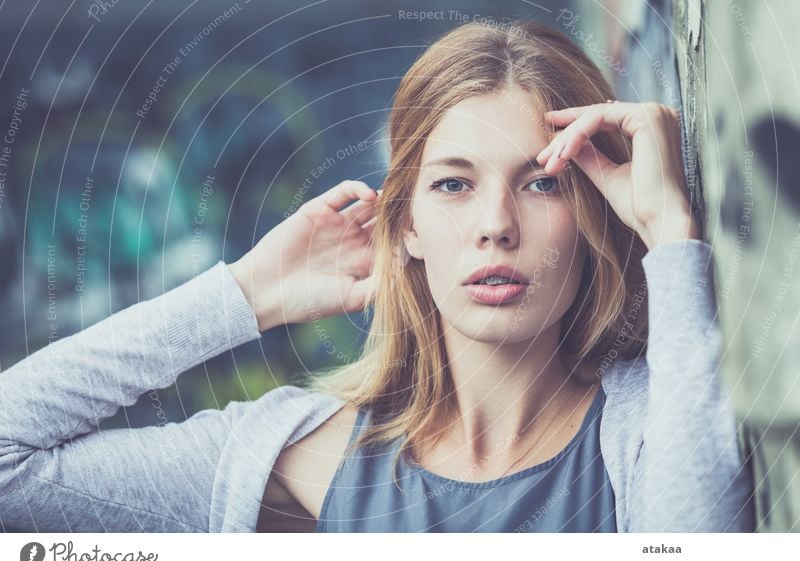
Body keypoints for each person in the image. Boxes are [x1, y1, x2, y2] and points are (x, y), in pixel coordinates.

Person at [0, 20, 754, 533]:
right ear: (407, 229)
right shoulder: (304, 453)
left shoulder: (654, 428)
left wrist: (669, 233)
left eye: (542, 182)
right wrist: (248, 293)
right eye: (453, 185)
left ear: (596, 214)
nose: (496, 224)